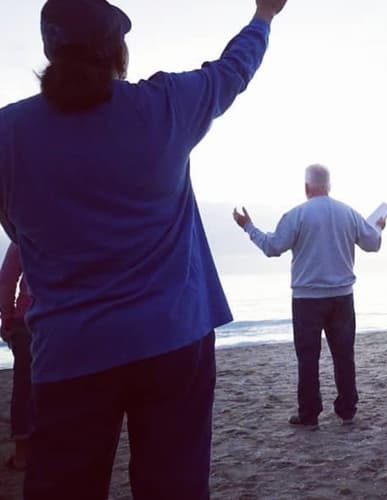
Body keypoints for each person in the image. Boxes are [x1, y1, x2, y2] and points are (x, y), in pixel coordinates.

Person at [0, 1, 290, 497]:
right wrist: (263, 16)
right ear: (118, 51)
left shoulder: (8, 133)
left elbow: (17, 226)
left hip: (70, 353)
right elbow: (233, 69)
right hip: (172, 341)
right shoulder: (165, 105)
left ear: (50, 51)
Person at [233, 164, 385, 429]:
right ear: (329, 186)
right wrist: (379, 227)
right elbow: (372, 244)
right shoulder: (347, 212)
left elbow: (273, 247)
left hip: (307, 298)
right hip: (342, 296)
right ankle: (347, 409)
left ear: (306, 187)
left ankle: (310, 413)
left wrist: (249, 227)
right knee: (344, 355)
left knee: (307, 357)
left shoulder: (297, 214)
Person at [0, 243, 32, 471]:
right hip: (68, 318)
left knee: (23, 385)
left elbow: (7, 277)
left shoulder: (24, 226)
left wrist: (7, 318)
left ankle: (22, 453)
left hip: (27, 320)